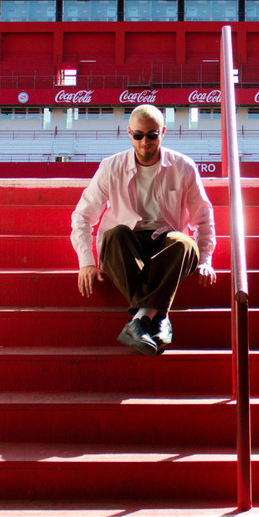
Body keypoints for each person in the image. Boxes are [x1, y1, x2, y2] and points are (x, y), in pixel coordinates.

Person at [70, 104, 217, 355]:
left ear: (163, 132)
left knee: (184, 244)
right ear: (129, 133)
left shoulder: (183, 167)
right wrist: (86, 261)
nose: (145, 141)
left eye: (152, 134)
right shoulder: (110, 167)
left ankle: (139, 321)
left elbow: (203, 219)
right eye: (138, 135)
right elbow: (82, 216)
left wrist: (205, 259)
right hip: (126, 247)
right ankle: (158, 318)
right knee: (114, 234)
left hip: (166, 244)